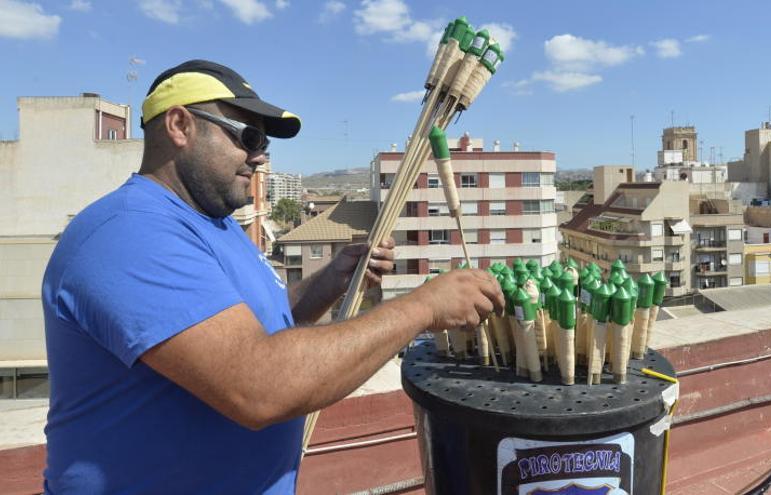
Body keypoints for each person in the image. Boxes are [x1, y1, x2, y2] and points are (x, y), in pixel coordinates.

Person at [41, 60, 504, 494]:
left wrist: (329, 283)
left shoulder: (216, 224)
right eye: (247, 136)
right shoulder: (129, 233)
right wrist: (423, 307)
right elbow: (258, 384)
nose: (259, 157)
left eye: (264, 143)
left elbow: (251, 325)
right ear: (180, 126)